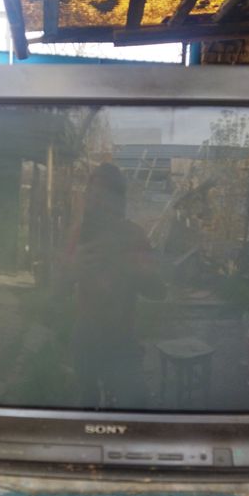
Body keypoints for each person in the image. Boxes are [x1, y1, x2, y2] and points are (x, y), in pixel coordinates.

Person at [65, 163, 166, 408]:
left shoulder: (133, 236)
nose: (97, 202)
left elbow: (158, 291)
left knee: (136, 402)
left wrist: (128, 264)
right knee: (88, 403)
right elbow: (55, 295)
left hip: (122, 340)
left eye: (105, 196)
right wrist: (71, 270)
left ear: (119, 201)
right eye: (93, 195)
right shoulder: (79, 235)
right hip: (86, 337)